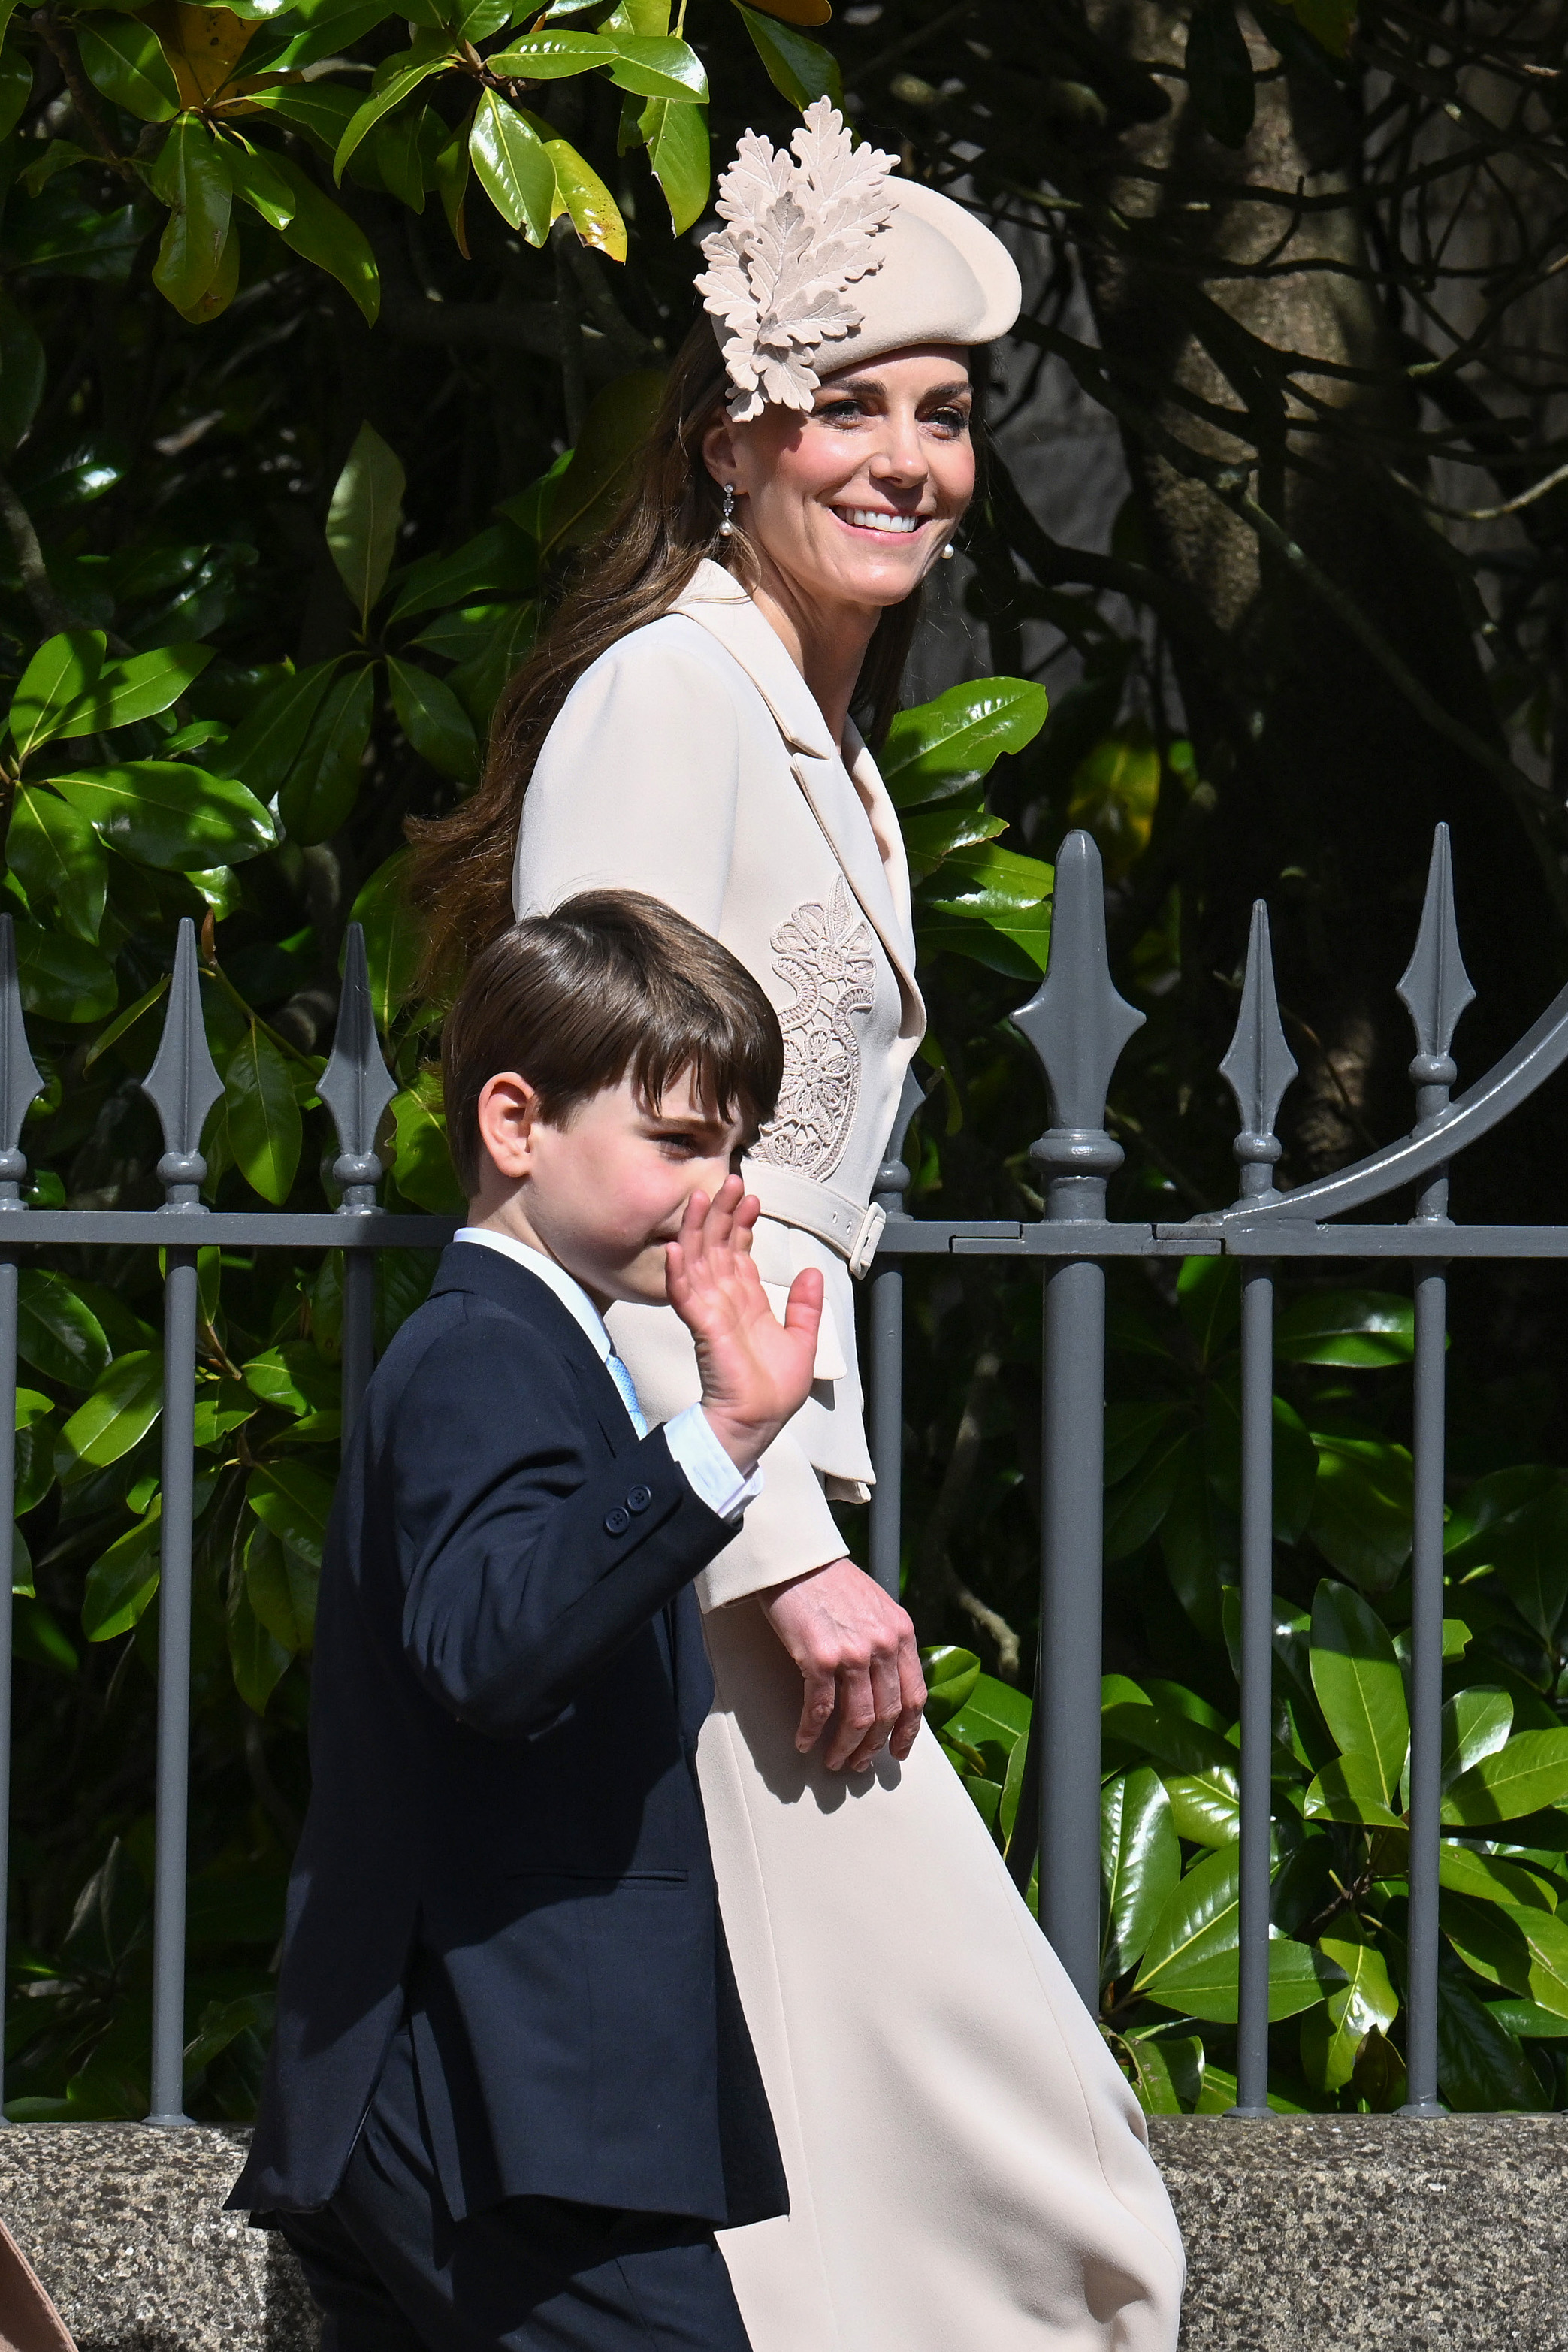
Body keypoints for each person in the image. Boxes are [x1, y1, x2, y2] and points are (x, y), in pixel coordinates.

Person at [409, 104, 1186, 2351]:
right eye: (849, 404)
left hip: (772, 1481)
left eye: (943, 418)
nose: (910, 460)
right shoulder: (672, 692)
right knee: (1040, 2197)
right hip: (710, 1517)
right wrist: (766, 1547)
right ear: (734, 431)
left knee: (833, 2206)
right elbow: (597, 1187)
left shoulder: (829, 742)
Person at [228, 890, 834, 2352]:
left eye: (736, 1151)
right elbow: (489, 1647)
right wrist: (722, 1441)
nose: (721, 1192)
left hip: (509, 2100)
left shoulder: (544, 1347)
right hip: (500, 2101)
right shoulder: (481, 1351)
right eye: (680, 1142)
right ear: (515, 1122)